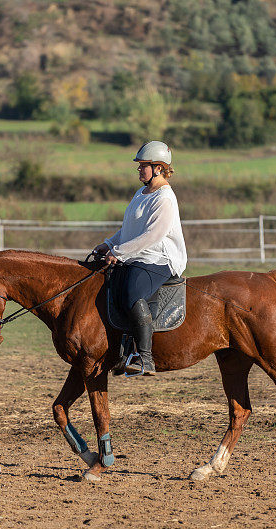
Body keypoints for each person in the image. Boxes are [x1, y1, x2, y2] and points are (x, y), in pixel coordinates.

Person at [92, 141, 187, 376]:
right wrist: (109, 244)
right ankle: (123, 352)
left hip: (159, 258)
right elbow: (130, 230)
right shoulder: (142, 192)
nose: (139, 169)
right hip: (138, 255)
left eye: (143, 165)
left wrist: (119, 252)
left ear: (158, 168)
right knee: (114, 284)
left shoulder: (164, 198)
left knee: (133, 292)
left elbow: (153, 235)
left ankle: (144, 358)